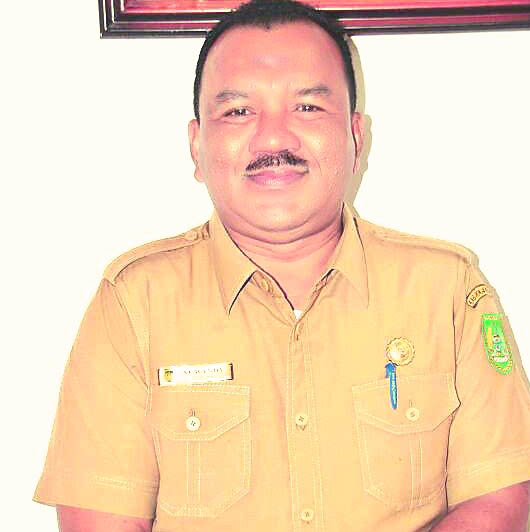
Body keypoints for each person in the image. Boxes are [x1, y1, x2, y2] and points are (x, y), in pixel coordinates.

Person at [33, 0, 530, 530]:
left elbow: (501, 500)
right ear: (197, 146)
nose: (274, 139)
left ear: (355, 137)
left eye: (308, 107)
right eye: (239, 112)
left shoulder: (447, 289)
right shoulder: (135, 302)